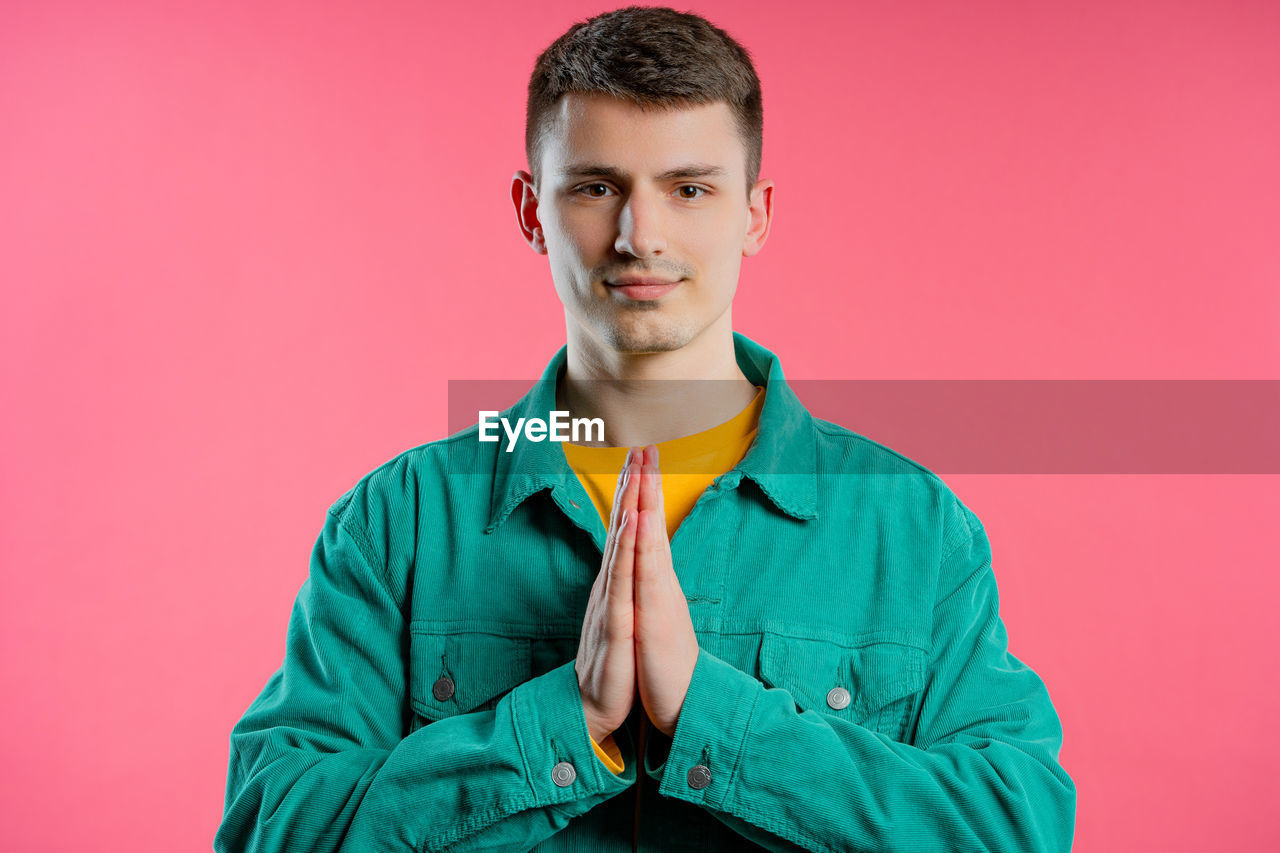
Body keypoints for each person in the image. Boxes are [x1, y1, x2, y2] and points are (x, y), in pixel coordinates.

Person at [215, 6, 1076, 851]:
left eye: (690, 189)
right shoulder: (398, 521)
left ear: (754, 213)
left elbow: (1017, 828)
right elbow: (269, 828)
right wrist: (567, 718)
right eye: (597, 188)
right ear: (529, 211)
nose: (640, 235)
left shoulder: (913, 526)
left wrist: (710, 713)